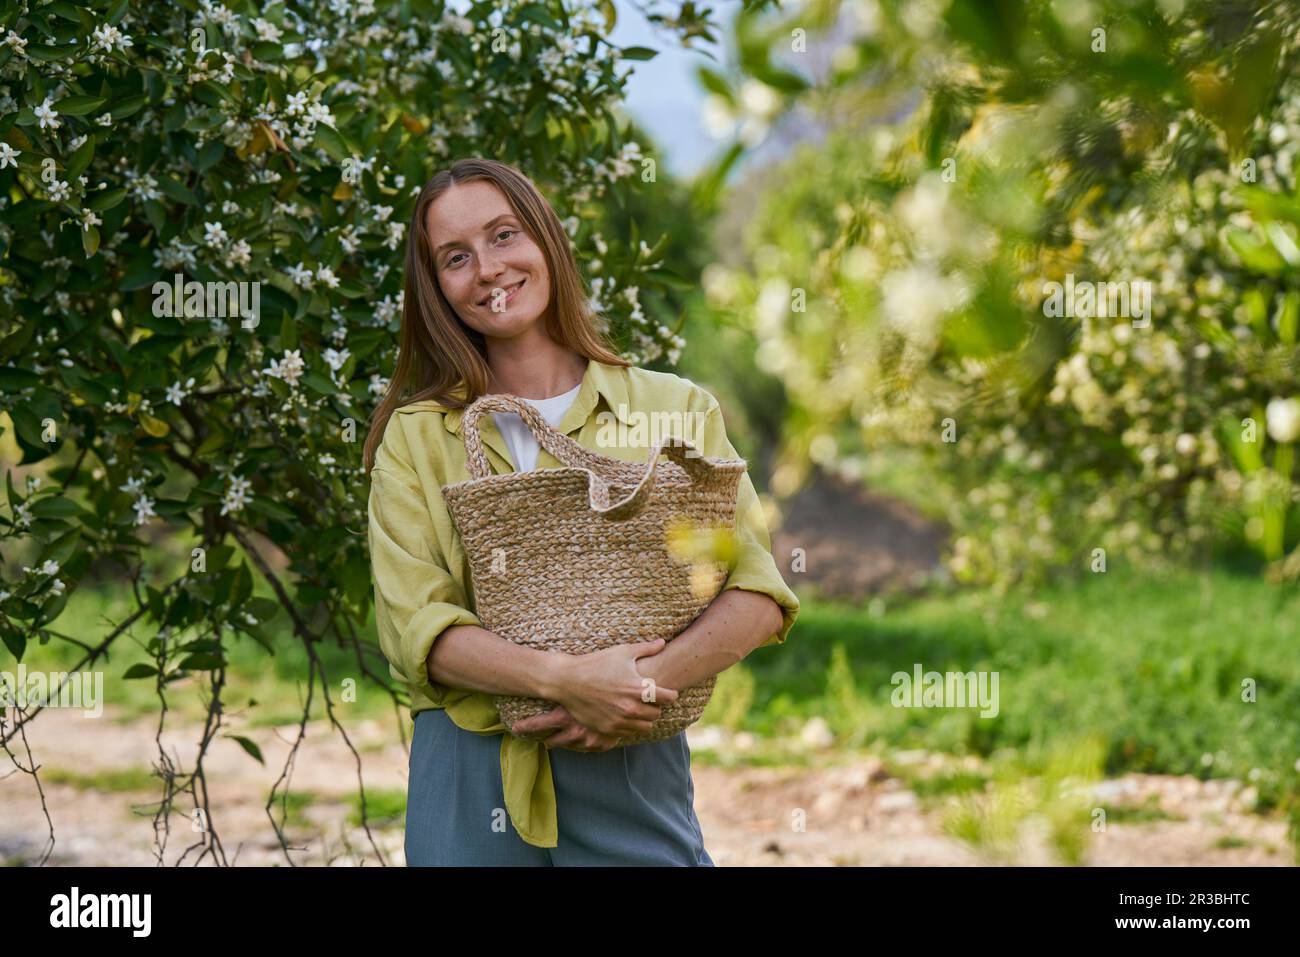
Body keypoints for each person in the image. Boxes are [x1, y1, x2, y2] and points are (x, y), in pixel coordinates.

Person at [364, 157, 800, 866]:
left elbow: (755, 591)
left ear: (545, 239)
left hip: (631, 754)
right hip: (468, 772)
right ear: (435, 287)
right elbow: (416, 627)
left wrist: (638, 686)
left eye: (504, 235)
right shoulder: (416, 439)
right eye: (455, 257)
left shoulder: (674, 409)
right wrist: (563, 681)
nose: (487, 268)